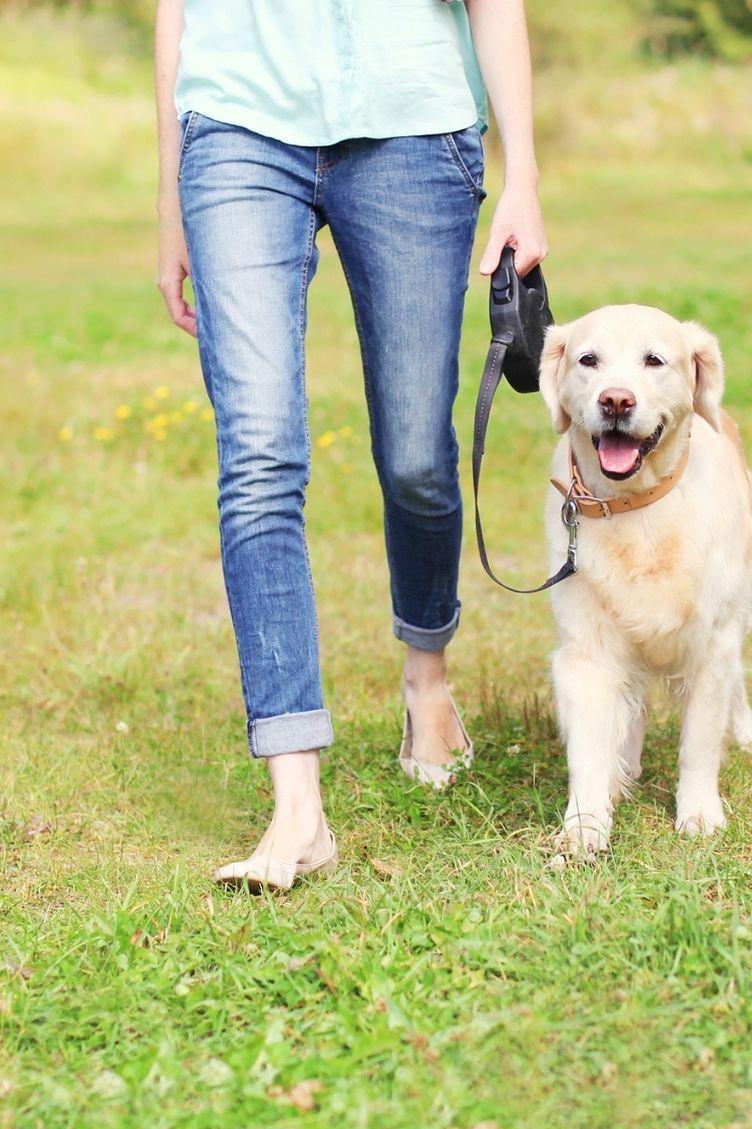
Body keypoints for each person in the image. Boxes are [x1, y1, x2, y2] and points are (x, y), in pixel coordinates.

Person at [153, 0, 547, 890]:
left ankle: (427, 678)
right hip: (238, 124)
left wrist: (523, 175)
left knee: (416, 454)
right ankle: (297, 803)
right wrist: (172, 195)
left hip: (412, 122)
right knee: (256, 454)